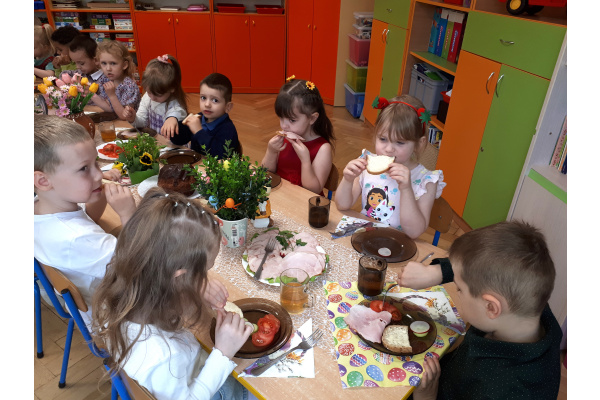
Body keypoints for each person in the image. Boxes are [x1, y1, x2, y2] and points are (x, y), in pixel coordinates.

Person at [92, 187, 253, 400]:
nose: (205, 279)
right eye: (204, 272)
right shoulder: (163, 357)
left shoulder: (127, 290)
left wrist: (195, 288)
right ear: (179, 277)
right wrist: (223, 353)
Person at [398, 221, 563, 400]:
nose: (457, 291)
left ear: (491, 307)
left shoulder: (501, 391)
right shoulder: (528, 302)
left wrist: (427, 396)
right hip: (447, 371)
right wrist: (438, 272)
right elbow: (485, 267)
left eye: (459, 289)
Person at [34, 115, 136, 327]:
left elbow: (89, 219)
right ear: (43, 180)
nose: (98, 175)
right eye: (84, 169)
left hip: (95, 294)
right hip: (115, 314)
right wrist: (128, 215)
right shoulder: (78, 238)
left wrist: (96, 192)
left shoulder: (42, 205)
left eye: (95, 163)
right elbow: (137, 264)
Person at [335, 94, 445, 239]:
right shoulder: (366, 164)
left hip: (398, 243)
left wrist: (406, 189)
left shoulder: (427, 181)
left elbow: (414, 232)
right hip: (366, 237)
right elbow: (342, 205)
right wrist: (348, 179)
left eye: (400, 142)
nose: (388, 149)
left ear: (418, 144)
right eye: (383, 139)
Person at [261, 78, 335, 194]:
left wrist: (305, 161)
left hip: (303, 201)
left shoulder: (323, 149)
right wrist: (271, 151)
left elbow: (314, 190)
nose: (284, 125)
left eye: (292, 120)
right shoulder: (284, 139)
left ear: (312, 118)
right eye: (281, 118)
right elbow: (266, 173)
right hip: (280, 195)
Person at [170, 72, 240, 159]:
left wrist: (198, 132)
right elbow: (179, 140)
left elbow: (219, 156)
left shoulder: (228, 129)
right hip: (197, 164)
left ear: (228, 107)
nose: (207, 104)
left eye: (215, 100)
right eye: (203, 98)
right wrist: (174, 127)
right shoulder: (199, 118)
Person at [123, 54, 187, 137]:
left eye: (158, 95)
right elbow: (142, 123)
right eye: (149, 92)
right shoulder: (147, 97)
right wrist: (133, 118)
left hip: (171, 143)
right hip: (155, 141)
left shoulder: (176, 105)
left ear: (172, 88)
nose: (152, 98)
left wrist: (172, 118)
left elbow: (177, 112)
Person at [92, 40, 141, 120]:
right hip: (116, 122)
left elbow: (125, 117)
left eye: (113, 63)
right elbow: (110, 109)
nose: (108, 68)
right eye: (104, 63)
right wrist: (90, 94)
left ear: (124, 65)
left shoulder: (130, 86)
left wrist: (112, 95)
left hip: (131, 125)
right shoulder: (105, 79)